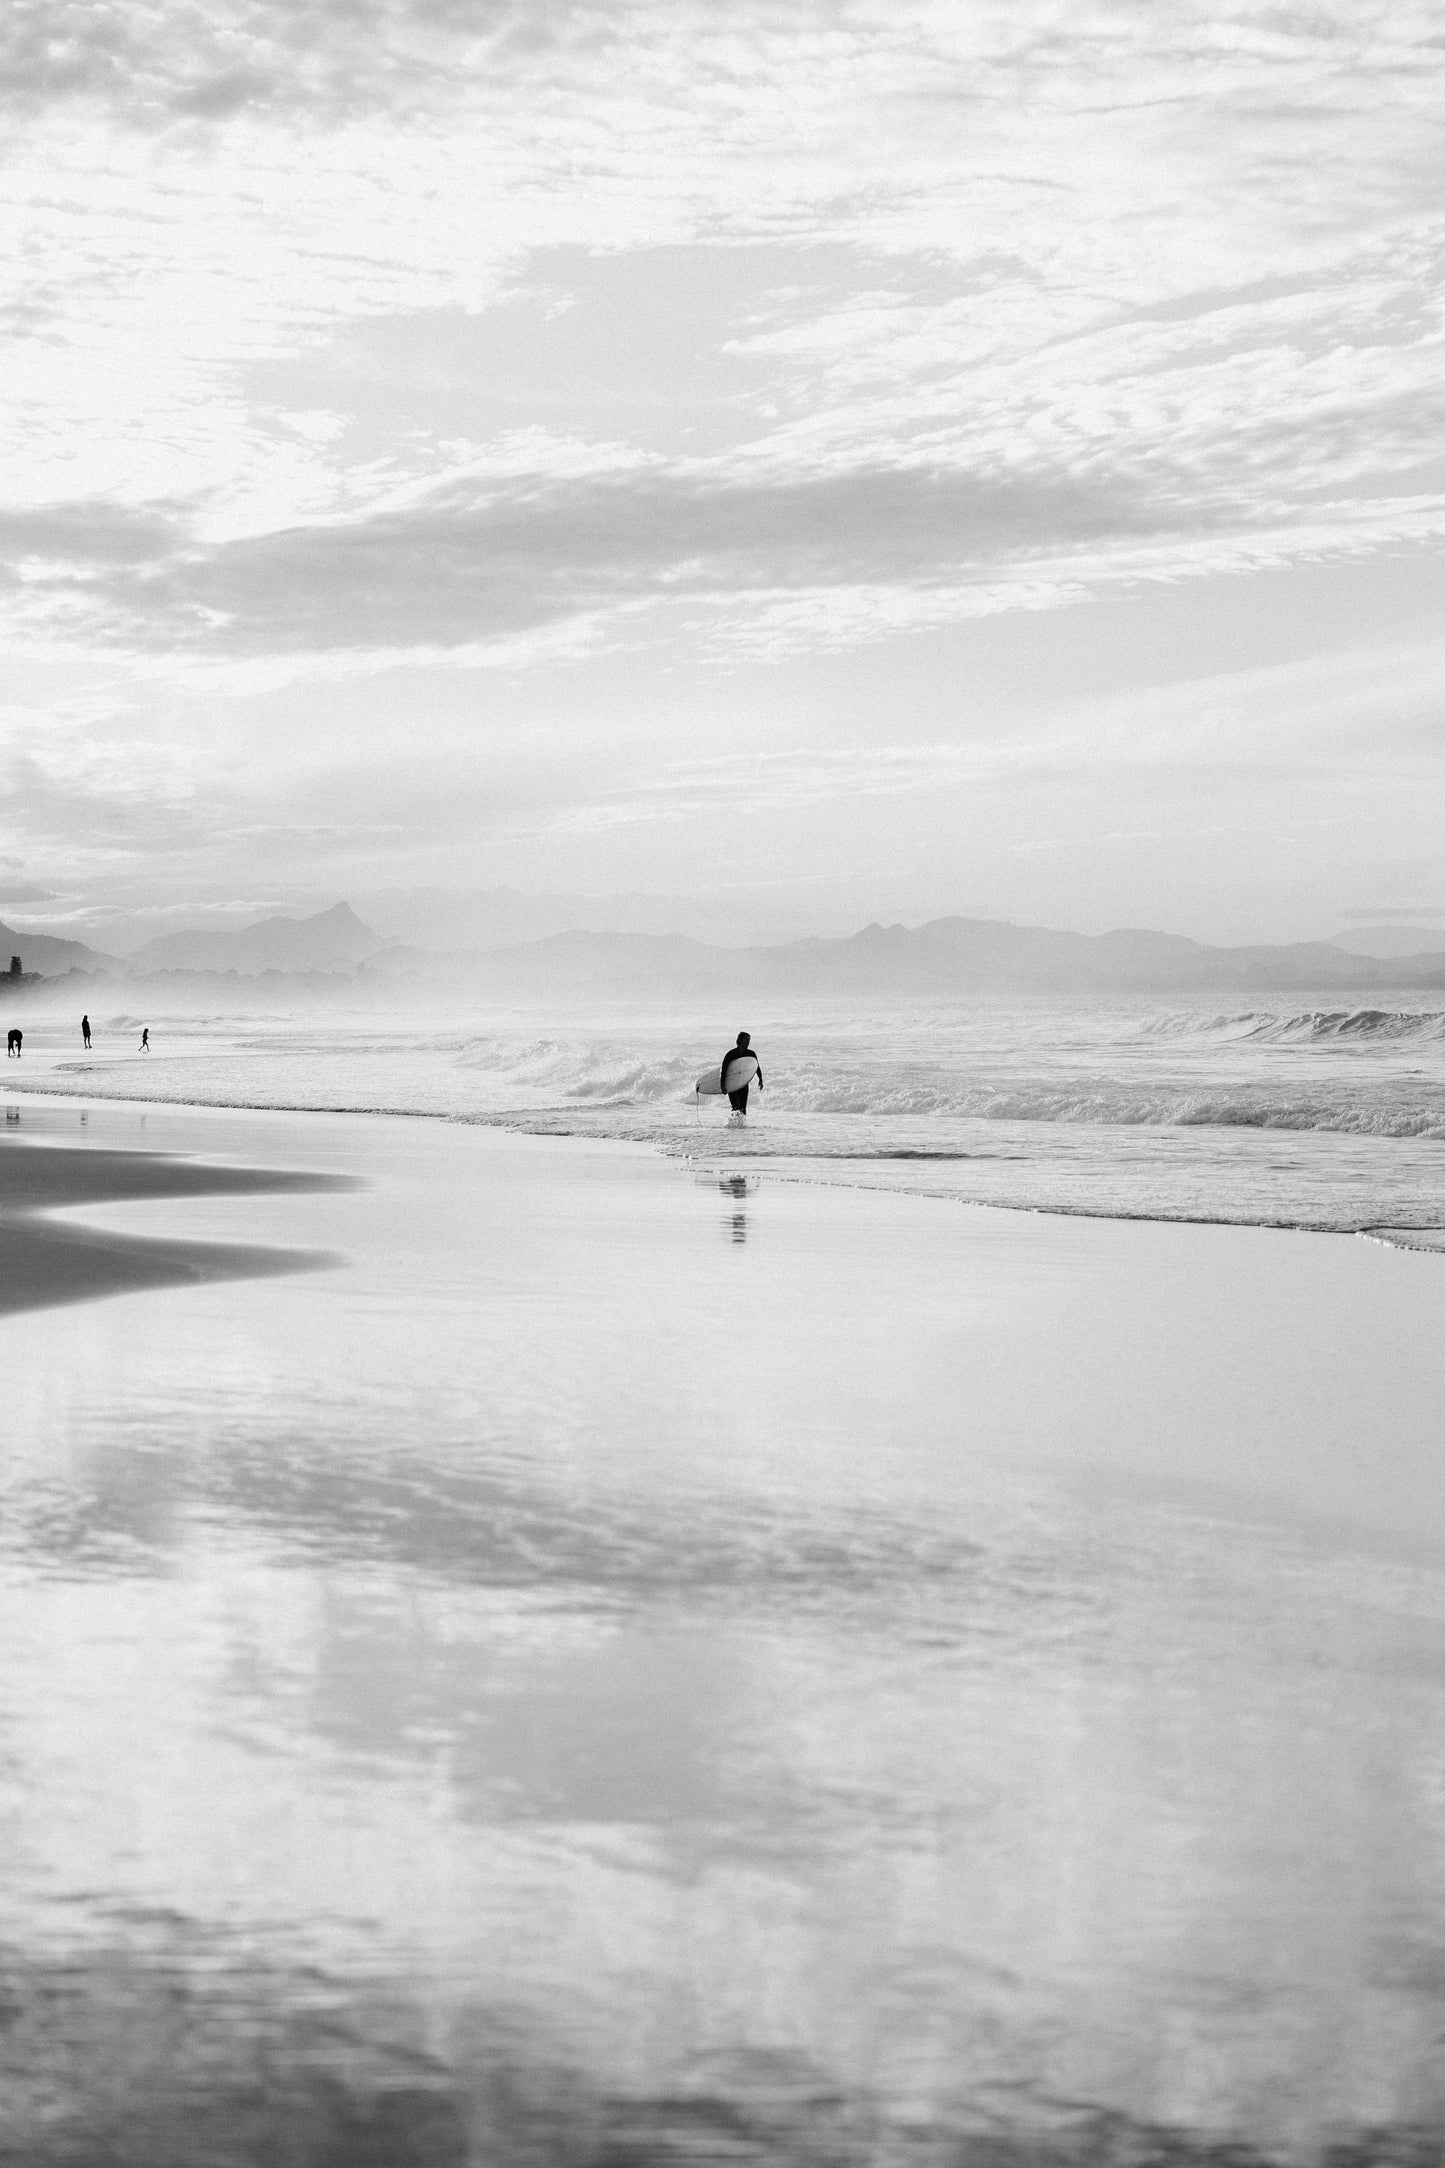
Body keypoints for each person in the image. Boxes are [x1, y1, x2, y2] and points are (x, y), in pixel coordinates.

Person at [720, 1030, 762, 1119]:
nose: (748, 1042)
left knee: (743, 1109)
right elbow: (724, 1070)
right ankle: (733, 1124)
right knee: (735, 1107)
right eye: (746, 1040)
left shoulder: (750, 1054)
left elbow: (756, 1067)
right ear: (740, 1040)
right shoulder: (731, 1054)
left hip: (743, 1083)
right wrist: (722, 1085)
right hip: (732, 1084)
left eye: (749, 1040)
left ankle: (741, 1128)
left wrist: (760, 1079)